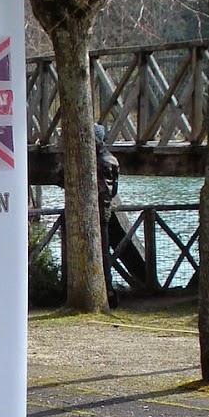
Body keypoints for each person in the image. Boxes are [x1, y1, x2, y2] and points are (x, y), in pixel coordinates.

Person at [94, 123, 120, 305]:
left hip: (97, 207)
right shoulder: (112, 160)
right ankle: (108, 289)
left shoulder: (97, 162)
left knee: (101, 251)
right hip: (106, 207)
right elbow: (114, 190)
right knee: (104, 250)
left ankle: (107, 290)